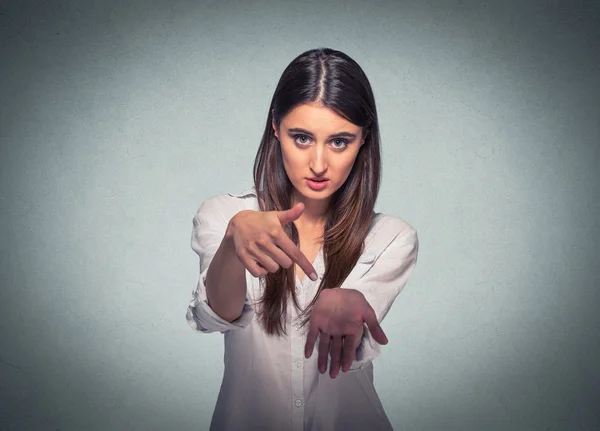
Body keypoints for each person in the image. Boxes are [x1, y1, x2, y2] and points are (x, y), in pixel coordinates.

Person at [186, 47, 419, 431]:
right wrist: (232, 241)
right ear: (275, 127)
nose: (318, 164)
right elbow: (217, 316)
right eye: (302, 138)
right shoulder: (223, 215)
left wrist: (353, 301)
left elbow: (356, 341)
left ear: (363, 140)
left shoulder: (391, 237)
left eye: (340, 141)